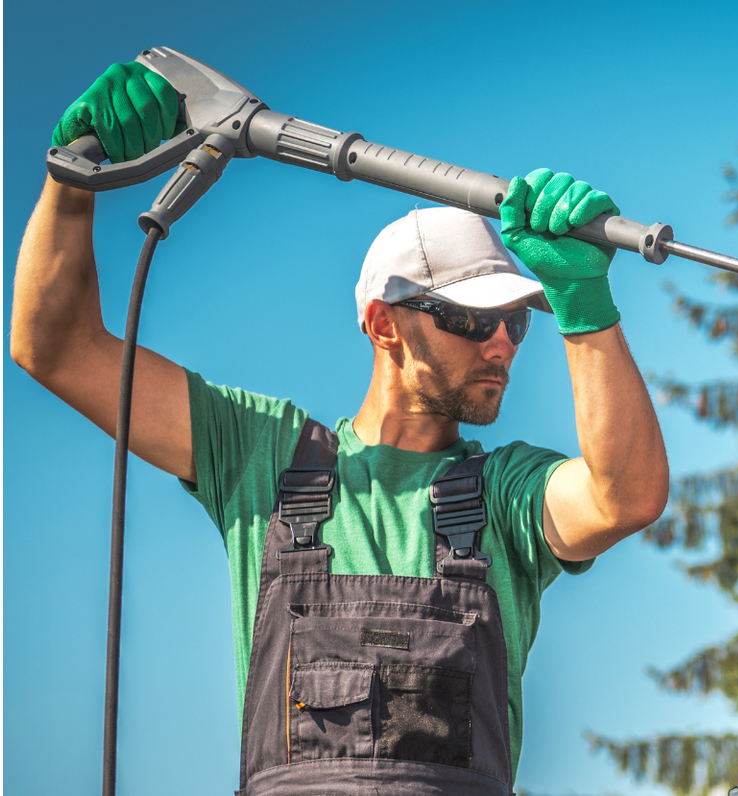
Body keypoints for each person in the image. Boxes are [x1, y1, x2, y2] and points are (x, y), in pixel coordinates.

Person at [11, 61, 669, 796]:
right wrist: (72, 182)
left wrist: (582, 303)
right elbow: (56, 347)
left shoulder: (508, 495)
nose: (502, 344)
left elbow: (624, 497)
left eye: (514, 321)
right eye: (472, 319)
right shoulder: (259, 453)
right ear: (383, 324)